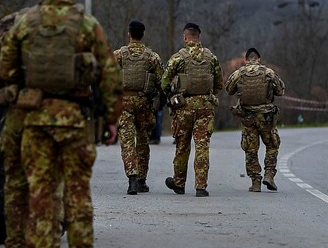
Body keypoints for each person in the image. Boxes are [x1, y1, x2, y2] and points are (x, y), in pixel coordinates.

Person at [0, 0, 122, 248]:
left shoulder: (26, 22)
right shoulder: (85, 23)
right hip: (73, 119)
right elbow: (109, 73)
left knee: (39, 190)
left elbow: (5, 69)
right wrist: (111, 118)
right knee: (77, 190)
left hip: (34, 120)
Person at [0, 0, 70, 248]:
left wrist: (7, 88)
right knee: (52, 184)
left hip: (16, 116)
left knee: (15, 183)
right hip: (54, 116)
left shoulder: (11, 22)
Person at [161, 23, 223, 197]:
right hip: (205, 106)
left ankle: (179, 183)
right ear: (199, 36)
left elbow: (164, 82)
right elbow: (219, 84)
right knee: (202, 146)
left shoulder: (178, 57)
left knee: (182, 146)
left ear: (185, 37)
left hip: (183, 106)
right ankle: (201, 187)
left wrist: (173, 92)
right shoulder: (211, 57)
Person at [225, 48, 285, 191]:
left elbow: (228, 89)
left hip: (248, 117)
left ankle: (255, 182)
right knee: (272, 145)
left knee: (250, 149)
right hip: (266, 117)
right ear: (259, 59)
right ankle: (269, 174)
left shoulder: (239, 73)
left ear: (245, 60)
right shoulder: (268, 72)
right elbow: (281, 90)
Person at [113, 21, 163, 195]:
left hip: (124, 102)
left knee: (127, 141)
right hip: (144, 103)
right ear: (143, 34)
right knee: (143, 141)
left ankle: (132, 179)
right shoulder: (152, 57)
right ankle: (141, 180)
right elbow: (162, 81)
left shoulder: (119, 55)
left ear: (129, 34)